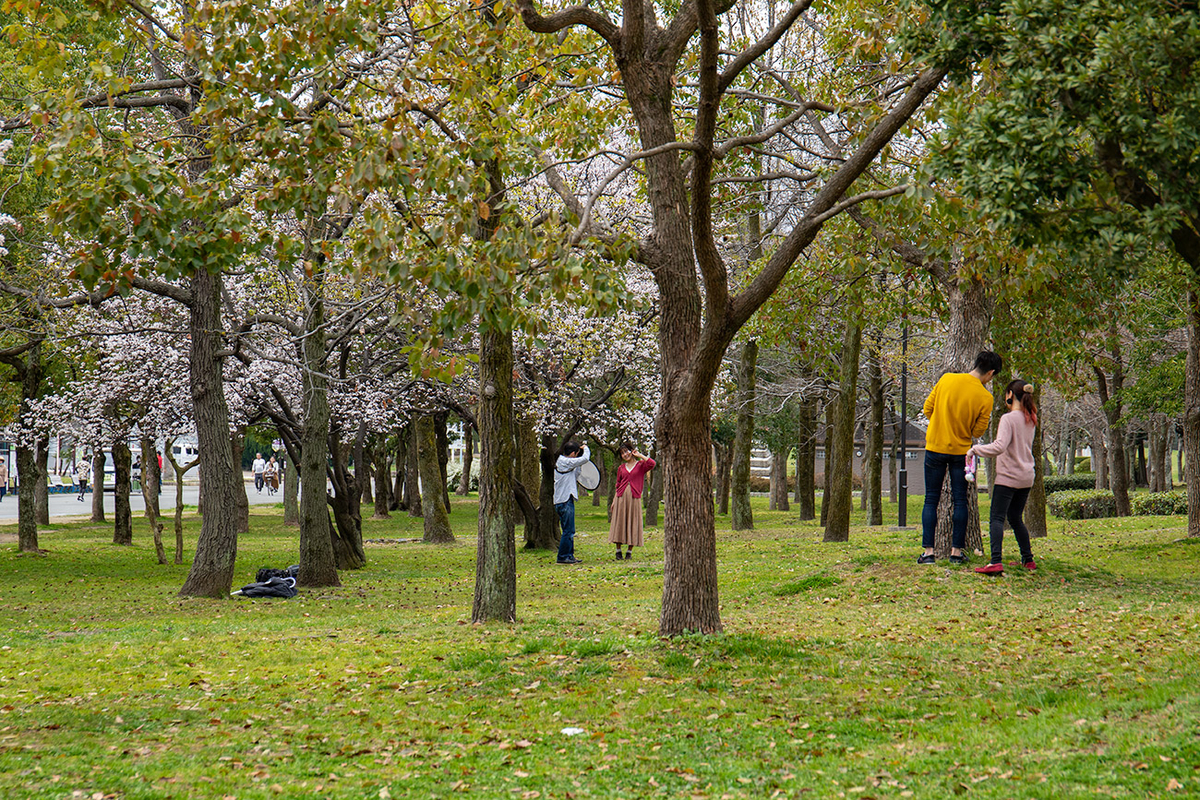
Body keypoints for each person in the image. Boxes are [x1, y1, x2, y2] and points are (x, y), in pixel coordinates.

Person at [918, 350, 1002, 565]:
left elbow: (928, 409)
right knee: (960, 501)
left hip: (935, 447)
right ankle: (956, 552)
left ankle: (928, 552)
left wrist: (941, 423)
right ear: (990, 373)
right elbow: (977, 432)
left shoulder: (947, 379)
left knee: (931, 499)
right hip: (961, 453)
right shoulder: (985, 397)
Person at [969, 381, 1039, 574]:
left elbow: (999, 446)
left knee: (997, 518)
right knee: (1016, 518)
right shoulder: (1031, 418)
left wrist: (975, 449)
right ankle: (1028, 559)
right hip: (1026, 476)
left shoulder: (1008, 419)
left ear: (1010, 394)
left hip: (1008, 476)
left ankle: (996, 561)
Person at [608, 442, 656, 560]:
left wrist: (640, 455)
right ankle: (618, 550)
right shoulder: (621, 468)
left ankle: (629, 551)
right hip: (621, 498)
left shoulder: (640, 465)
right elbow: (618, 484)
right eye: (622, 453)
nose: (625, 454)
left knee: (633, 522)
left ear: (632, 451)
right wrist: (614, 500)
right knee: (619, 522)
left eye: (626, 451)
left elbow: (652, 464)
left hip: (634, 498)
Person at [554, 441, 591, 565]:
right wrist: (585, 448)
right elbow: (586, 458)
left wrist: (578, 463)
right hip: (564, 500)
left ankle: (569, 555)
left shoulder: (564, 463)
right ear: (574, 453)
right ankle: (563, 556)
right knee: (568, 531)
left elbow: (576, 474)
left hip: (563, 500)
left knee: (569, 530)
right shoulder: (565, 461)